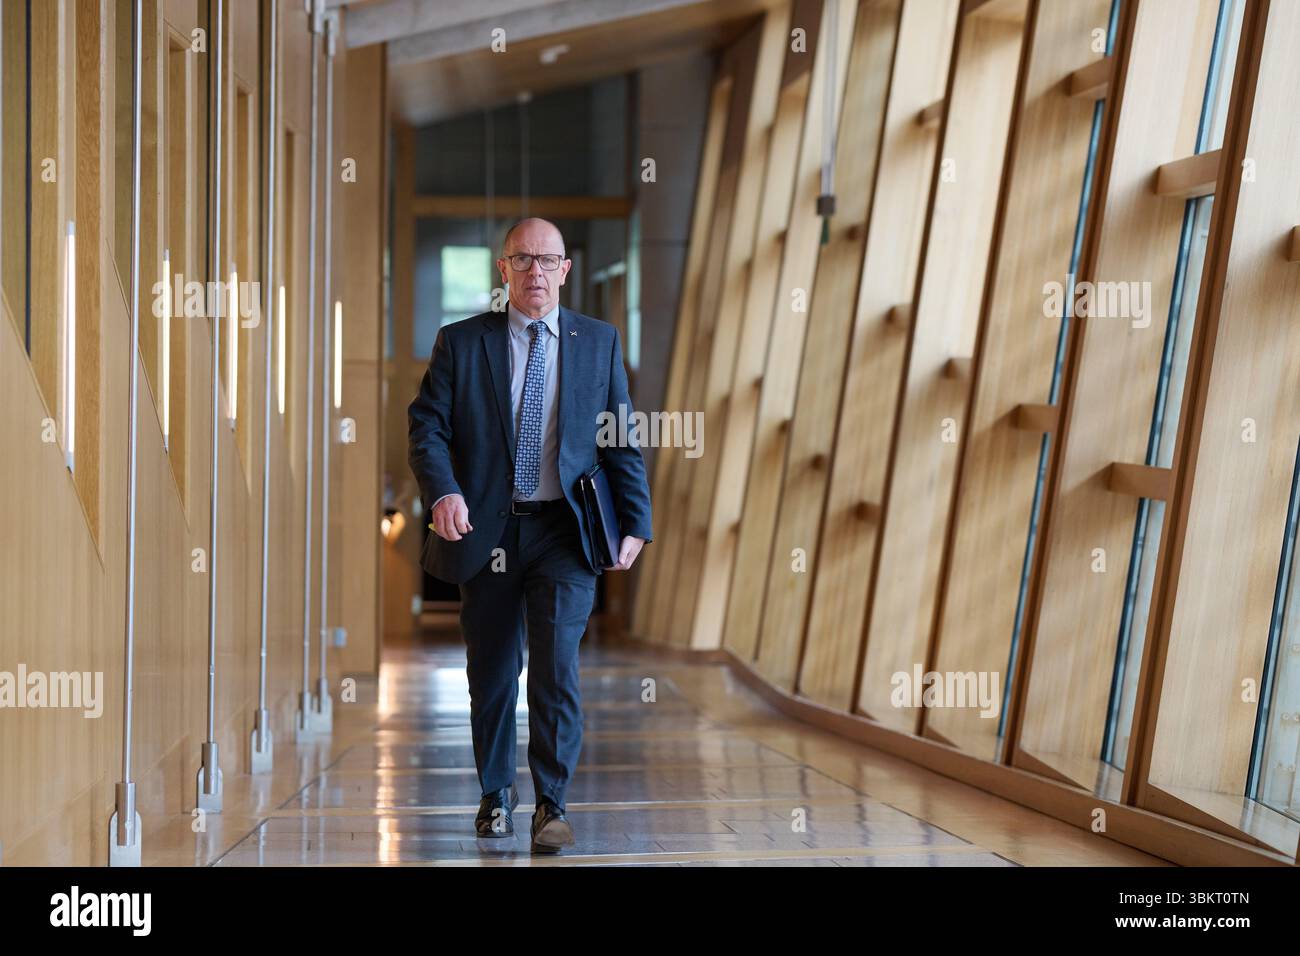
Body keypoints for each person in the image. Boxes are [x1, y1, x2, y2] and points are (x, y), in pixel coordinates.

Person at [407, 217, 653, 853]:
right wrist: (444, 489)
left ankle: (552, 803)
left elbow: (618, 438)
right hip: (488, 529)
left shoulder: (598, 342)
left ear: (566, 270)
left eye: (548, 261)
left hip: (565, 534)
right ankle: (495, 795)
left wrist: (637, 522)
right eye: (523, 259)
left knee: (555, 669)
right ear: (503, 269)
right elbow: (426, 427)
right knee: (492, 670)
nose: (536, 272)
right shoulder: (462, 342)